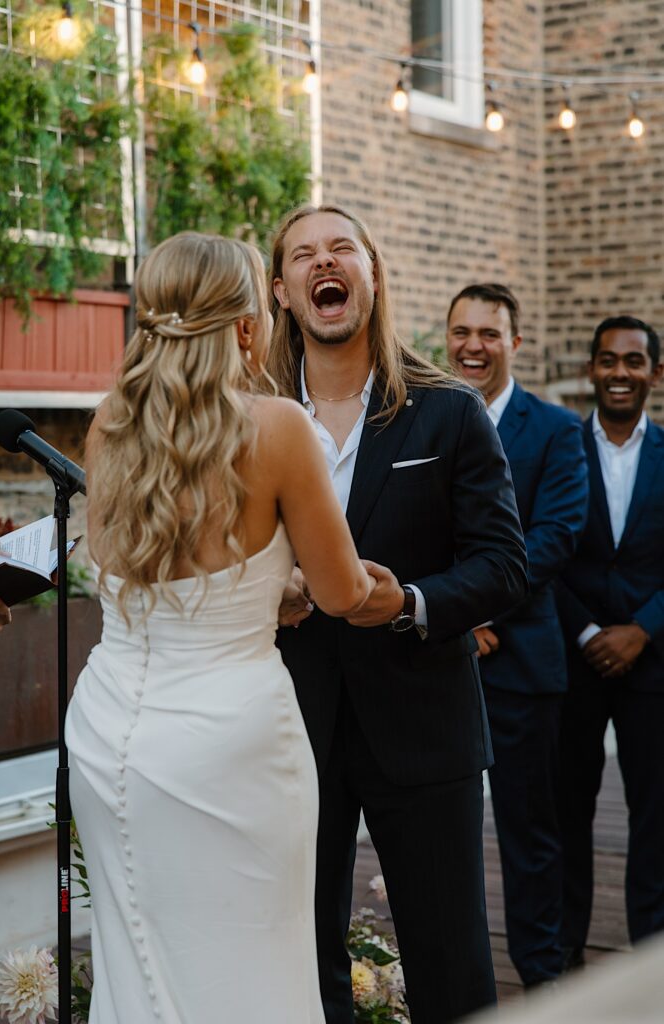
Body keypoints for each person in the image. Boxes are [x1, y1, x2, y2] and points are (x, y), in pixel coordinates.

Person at [64, 231, 379, 1024]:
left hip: (107, 731)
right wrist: (302, 585)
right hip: (229, 741)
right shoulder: (276, 427)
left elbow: (137, 582)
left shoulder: (109, 426)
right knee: (250, 962)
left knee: (137, 958)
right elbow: (342, 593)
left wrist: (254, 587)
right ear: (246, 327)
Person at [267, 205, 529, 1024]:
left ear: (373, 276)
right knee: (301, 962)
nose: (323, 263)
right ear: (281, 291)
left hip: (425, 727)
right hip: (287, 728)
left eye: (342, 248)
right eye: (302, 255)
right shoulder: (253, 416)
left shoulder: (449, 410)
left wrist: (410, 603)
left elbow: (502, 565)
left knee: (451, 964)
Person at [445, 283, 588, 988]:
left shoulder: (558, 428)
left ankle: (541, 977)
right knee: (442, 836)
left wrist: (479, 608)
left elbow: (556, 535)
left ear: (515, 343)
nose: (474, 346)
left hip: (519, 656)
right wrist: (451, 616)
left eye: (489, 334)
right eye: (462, 331)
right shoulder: (424, 416)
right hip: (440, 655)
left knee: (531, 834)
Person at [555, 315, 664, 970]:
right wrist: (590, 630)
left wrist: (643, 628)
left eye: (633, 361)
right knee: (567, 813)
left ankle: (650, 961)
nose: (619, 372)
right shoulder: (559, 446)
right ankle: (564, 955)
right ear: (592, 370)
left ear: (655, 372)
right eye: (607, 360)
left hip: (655, 662)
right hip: (573, 659)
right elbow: (544, 553)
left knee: (656, 820)